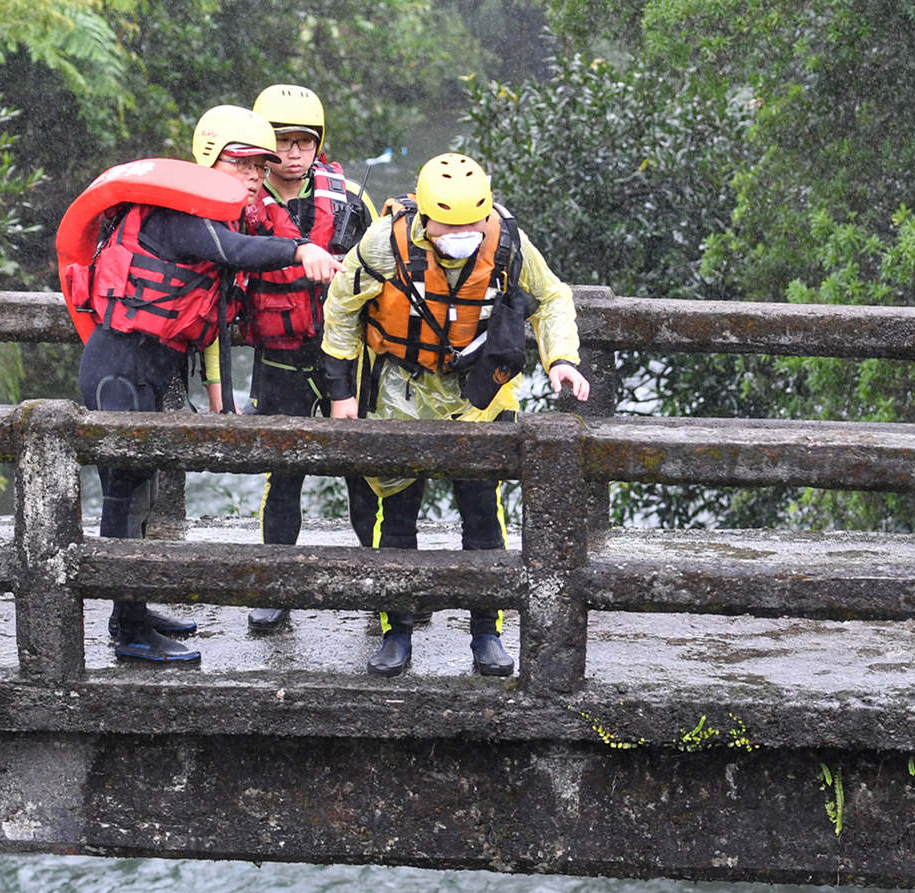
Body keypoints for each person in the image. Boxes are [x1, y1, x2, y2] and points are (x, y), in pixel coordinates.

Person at [74, 105, 341, 664]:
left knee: (142, 493)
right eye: (242, 162)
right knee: (124, 497)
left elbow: (215, 305)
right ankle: (129, 633)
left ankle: (136, 609)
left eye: (260, 164)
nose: (254, 174)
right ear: (209, 158)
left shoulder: (208, 217)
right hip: (117, 369)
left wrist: (219, 392)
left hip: (148, 369)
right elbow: (235, 253)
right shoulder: (175, 214)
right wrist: (301, 249)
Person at [318, 152, 590, 678]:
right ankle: (396, 631)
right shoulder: (385, 241)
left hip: (477, 393)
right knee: (396, 513)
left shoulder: (508, 240)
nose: (463, 232)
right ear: (424, 217)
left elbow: (553, 296)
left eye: (472, 223)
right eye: (450, 224)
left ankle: (486, 632)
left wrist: (561, 359)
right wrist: (341, 393)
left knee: (482, 512)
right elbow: (341, 306)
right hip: (401, 389)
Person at [240, 85, 377, 634]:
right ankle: (277, 587)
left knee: (366, 473)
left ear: (318, 145)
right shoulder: (241, 204)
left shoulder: (349, 201)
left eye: (304, 142)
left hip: (346, 355)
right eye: (282, 141)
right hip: (279, 355)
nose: (293, 153)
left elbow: (387, 267)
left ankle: (383, 586)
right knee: (285, 473)